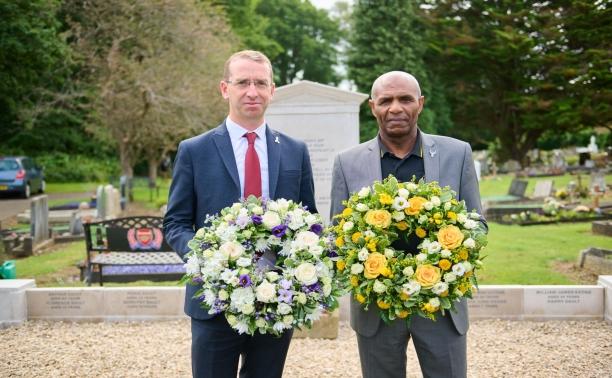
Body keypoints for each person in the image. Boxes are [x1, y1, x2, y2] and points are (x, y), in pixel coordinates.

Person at [163, 50, 317, 378]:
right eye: (243, 82)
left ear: (272, 90)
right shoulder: (194, 150)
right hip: (213, 300)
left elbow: (310, 220)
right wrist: (214, 261)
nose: (252, 91)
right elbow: (175, 223)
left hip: (278, 299)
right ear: (224, 88)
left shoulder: (294, 150)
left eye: (260, 83)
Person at [330, 71, 486, 378]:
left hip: (442, 300)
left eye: (405, 99)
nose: (396, 108)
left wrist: (453, 253)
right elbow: (337, 233)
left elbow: (478, 223)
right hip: (377, 304)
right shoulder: (347, 162)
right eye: (386, 100)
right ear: (373, 106)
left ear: (421, 104)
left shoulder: (458, 153)